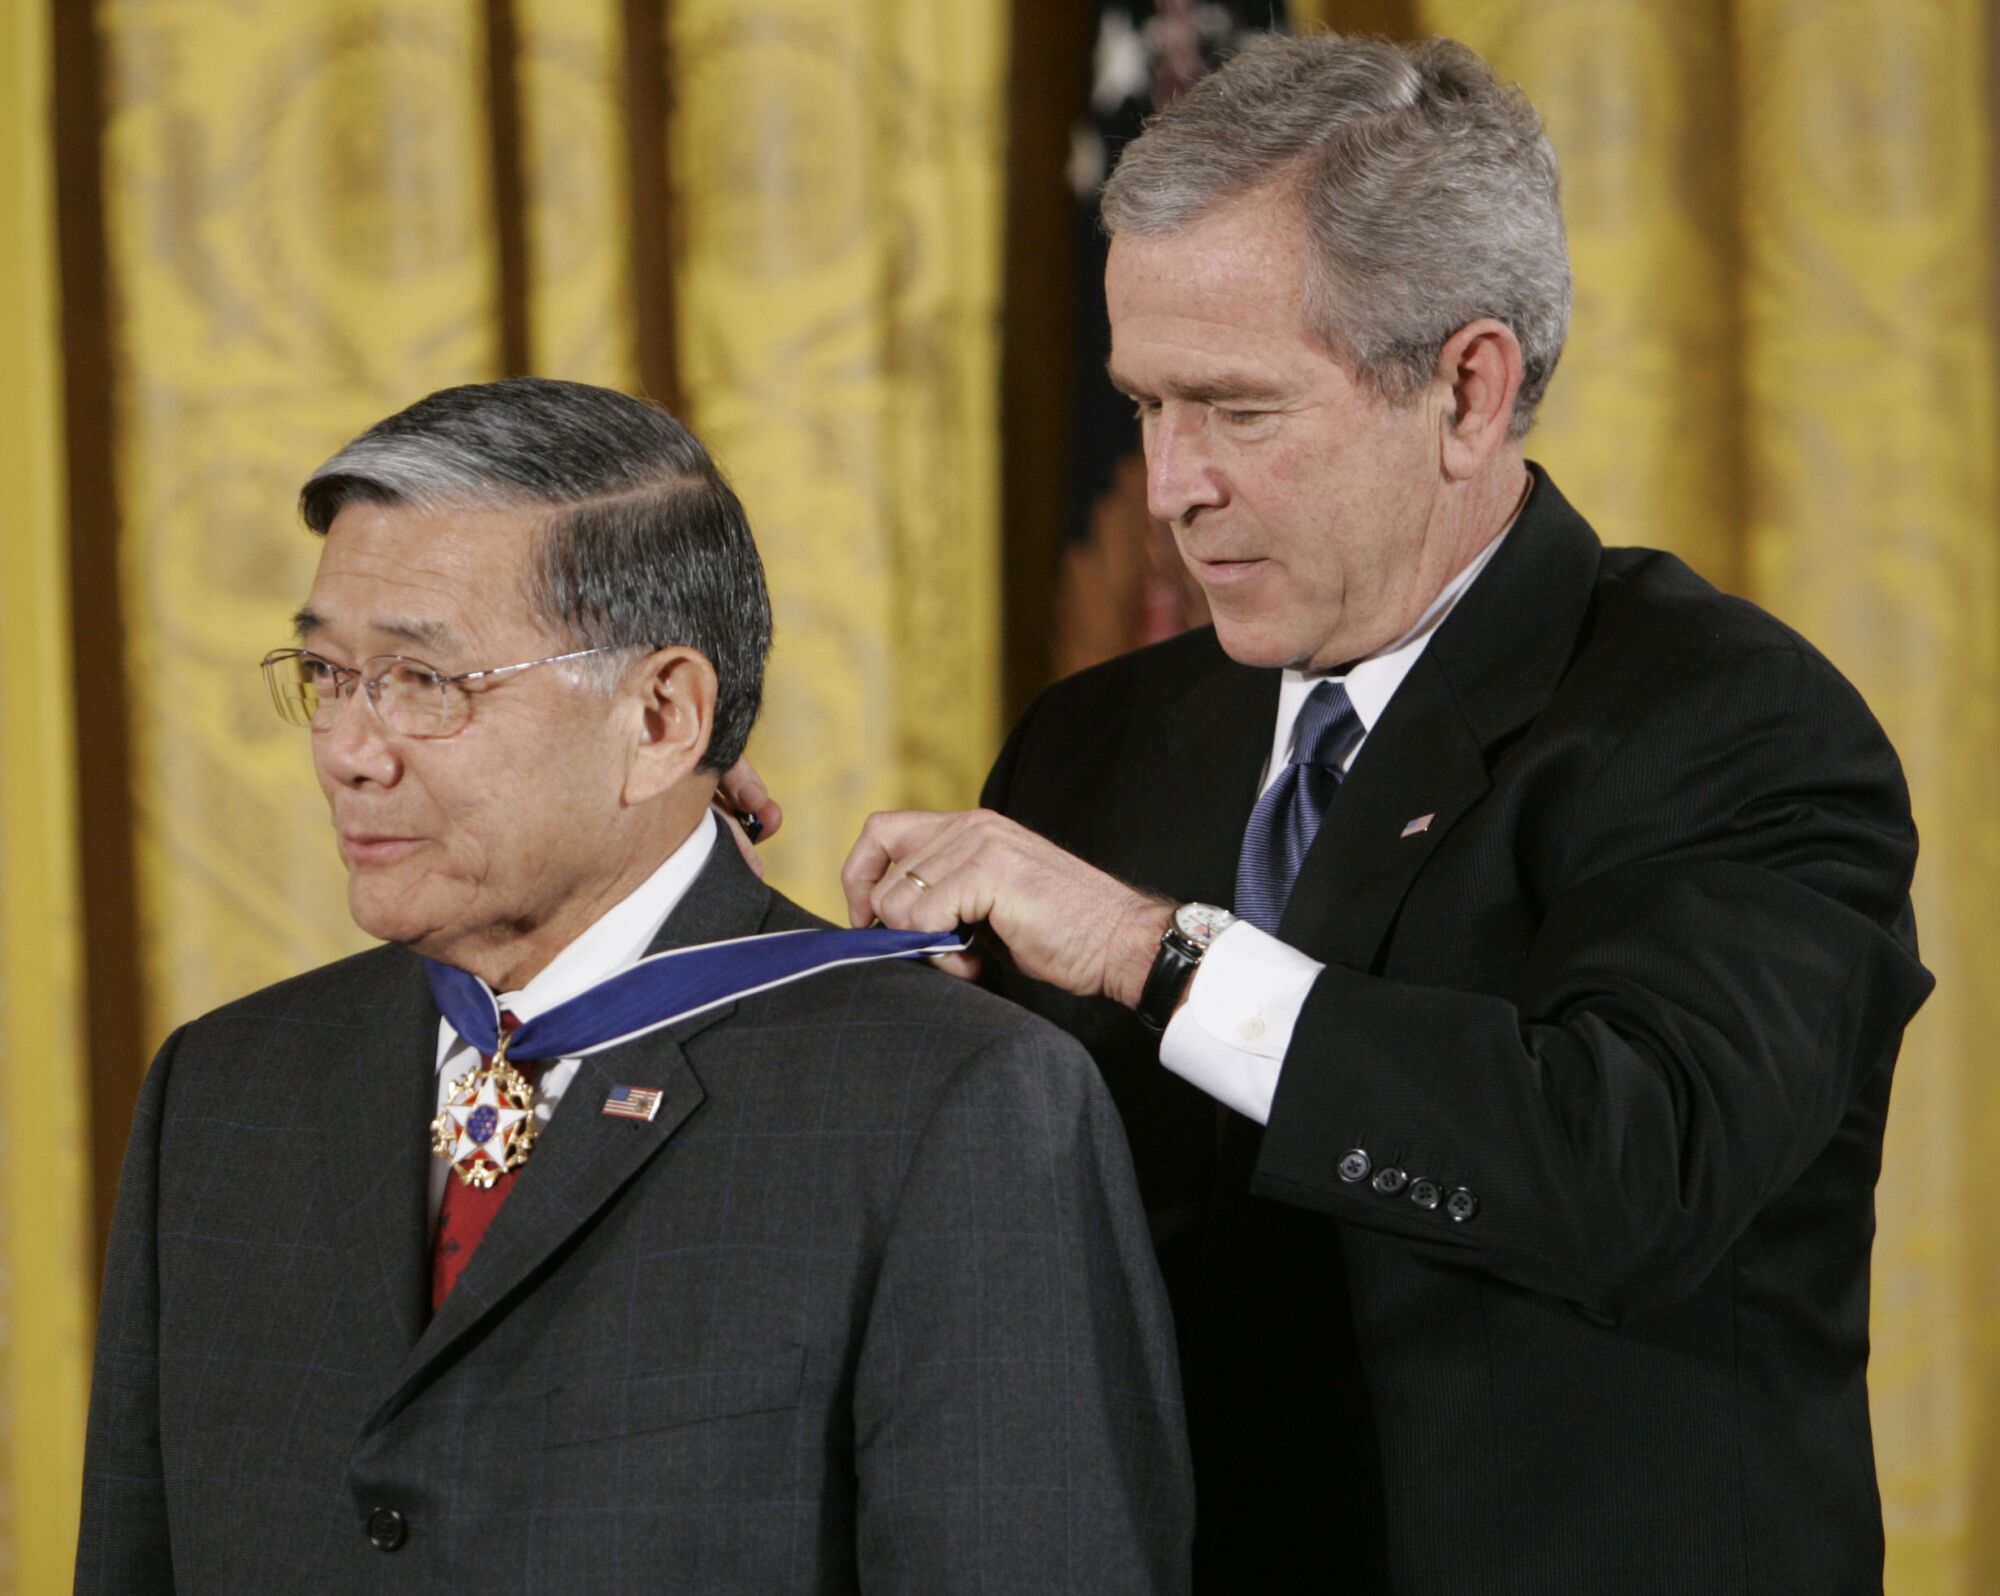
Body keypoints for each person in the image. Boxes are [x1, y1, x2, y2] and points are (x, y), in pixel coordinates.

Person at [835, 33, 1934, 1594]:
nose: (1169, 487)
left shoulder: (1723, 723)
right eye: (1145, 406)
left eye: (1237, 410)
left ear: (1469, 390)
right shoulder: (1093, 747)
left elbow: (1633, 1172)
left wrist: (1163, 956)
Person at [75, 378, 1192, 1594]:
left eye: (422, 682)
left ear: (660, 717)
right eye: (329, 674)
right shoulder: (226, 1088)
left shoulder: (953, 1105)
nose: (347, 749)